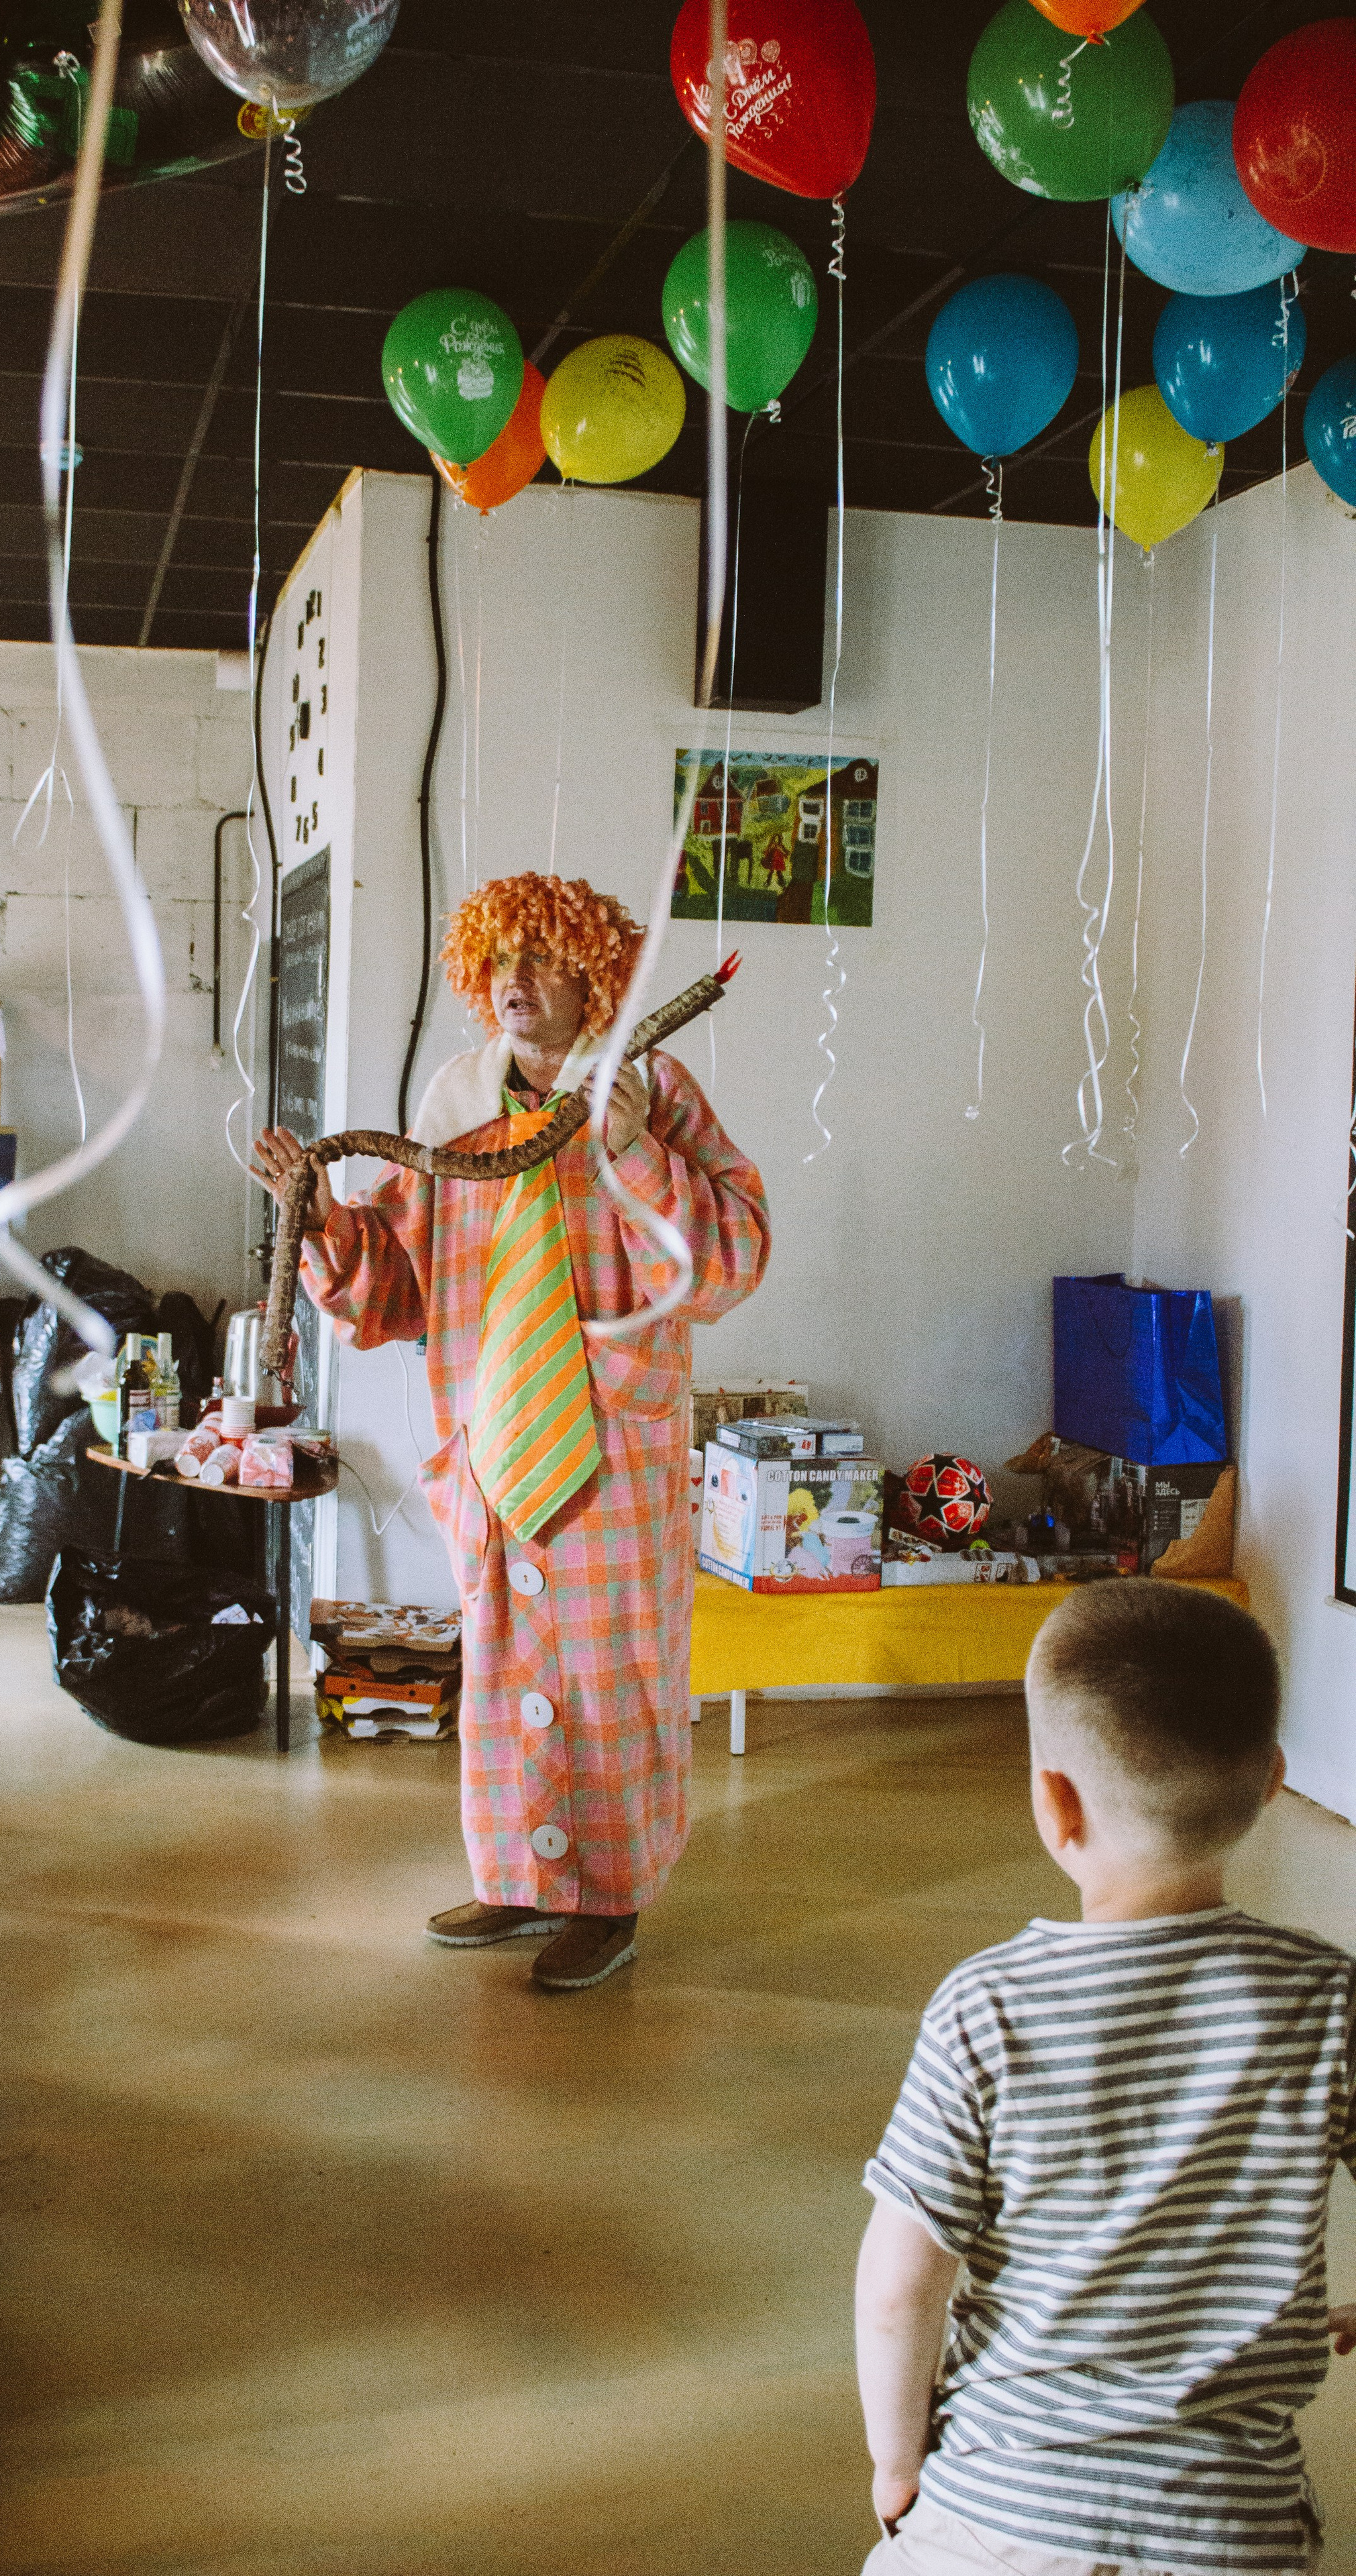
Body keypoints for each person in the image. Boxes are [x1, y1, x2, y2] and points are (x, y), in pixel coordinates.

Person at [252, 873, 770, 1993]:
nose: (515, 981)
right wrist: (324, 1217)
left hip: (610, 1444)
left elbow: (732, 1262)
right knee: (504, 1667)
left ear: (598, 975)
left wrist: (638, 1154)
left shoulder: (652, 1086)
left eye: (543, 957)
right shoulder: (452, 1106)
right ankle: (521, 1881)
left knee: (614, 1674)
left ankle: (612, 1898)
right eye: (500, 959)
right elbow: (394, 1292)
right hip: (490, 1434)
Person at [855, 1581, 1356, 2576]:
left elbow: (900, 2286)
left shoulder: (987, 2008)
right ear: (1272, 1782)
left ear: (1055, 1803)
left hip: (1000, 2510)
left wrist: (896, 2459)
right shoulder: (1328, 1999)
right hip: (1231, 2531)